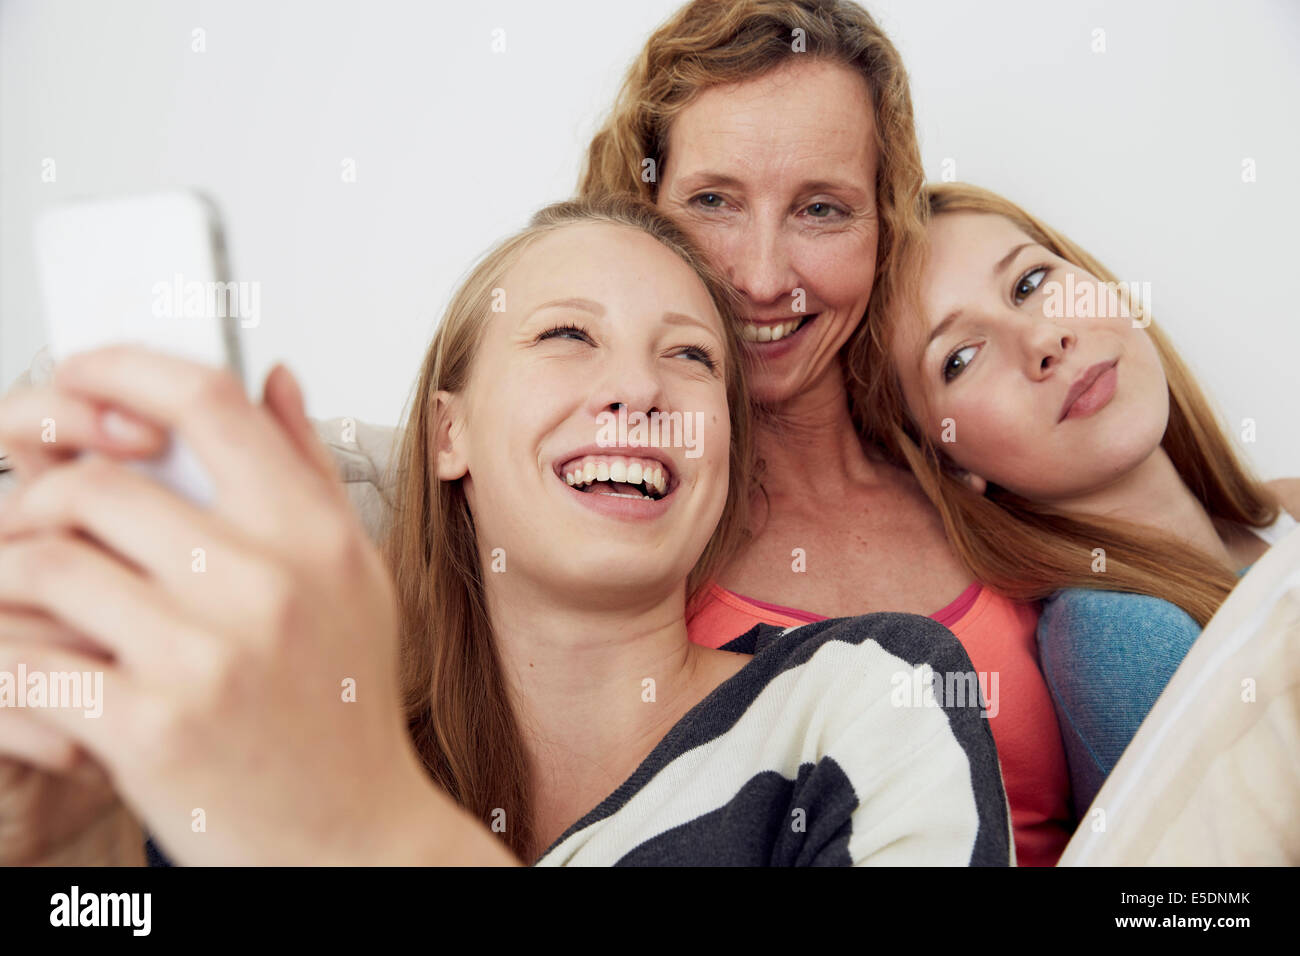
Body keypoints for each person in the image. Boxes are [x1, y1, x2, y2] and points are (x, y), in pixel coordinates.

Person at [0, 196, 1012, 866]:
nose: (634, 389)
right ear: (449, 433)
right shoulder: (256, 760)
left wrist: (365, 822)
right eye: (569, 335)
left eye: (691, 358)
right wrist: (74, 850)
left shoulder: (869, 694)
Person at [577, 0, 1072, 863]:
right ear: (643, 210)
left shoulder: (974, 461)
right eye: (713, 201)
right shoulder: (602, 529)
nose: (763, 277)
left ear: (885, 230)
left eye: (822, 210)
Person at [863, 181, 1300, 816]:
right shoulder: (1123, 635)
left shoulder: (1277, 518)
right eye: (959, 358)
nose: (1043, 340)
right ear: (949, 462)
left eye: (1029, 282)